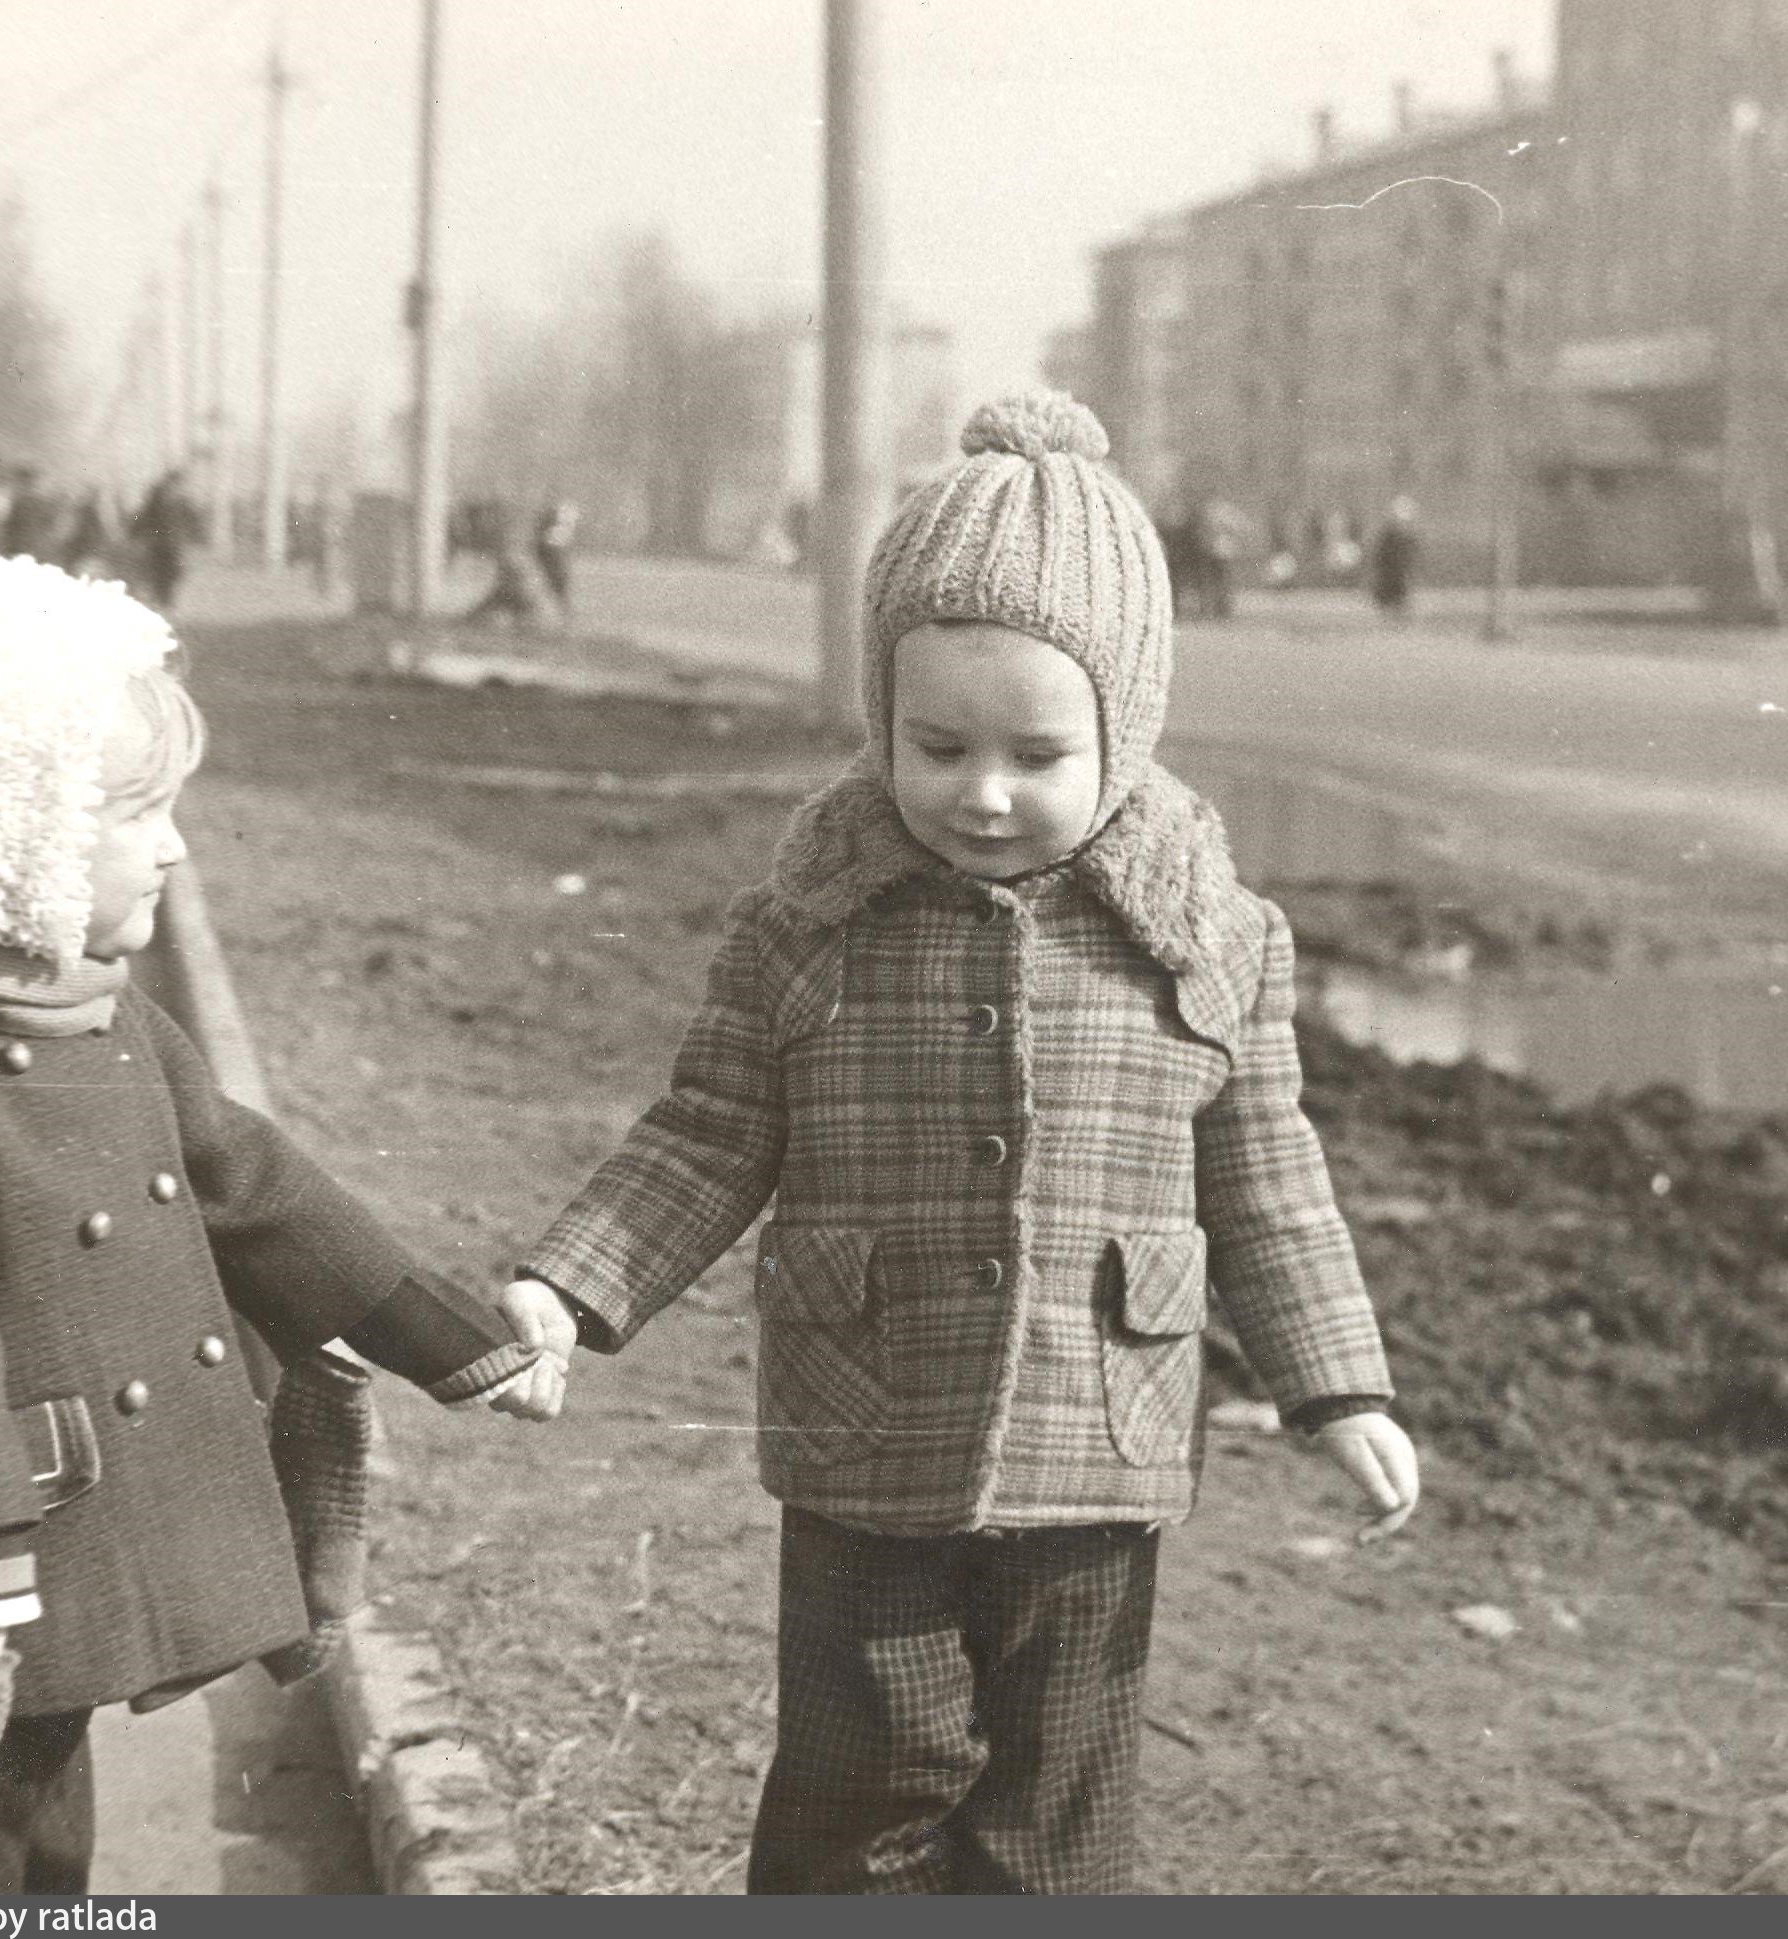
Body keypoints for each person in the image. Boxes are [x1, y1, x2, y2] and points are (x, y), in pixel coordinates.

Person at [499, 392, 1419, 1894]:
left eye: (1035, 751)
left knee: (1054, 1810)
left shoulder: (1208, 942)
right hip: (864, 1429)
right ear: (878, 714)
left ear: (1123, 733)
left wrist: (1335, 1388)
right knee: (861, 1777)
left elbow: (1267, 1180)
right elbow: (706, 1130)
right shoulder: (809, 923)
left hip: (1099, 1443)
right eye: (934, 742)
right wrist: (567, 1282)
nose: (979, 791)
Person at [0, 557, 555, 1893]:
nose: (176, 846)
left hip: (29, 1552)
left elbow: (250, 1179)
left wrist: (449, 1337)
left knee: (43, 1843)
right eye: (135, 812)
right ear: (1, 830)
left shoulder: (77, 998)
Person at [127, 469, 202, 613]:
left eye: (178, 484)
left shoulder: (182, 501)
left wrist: (197, 534)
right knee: (160, 571)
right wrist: (134, 531)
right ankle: (163, 599)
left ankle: (165, 598)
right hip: (158, 542)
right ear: (169, 483)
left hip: (173, 543)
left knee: (174, 571)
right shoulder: (155, 499)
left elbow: (192, 518)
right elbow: (141, 515)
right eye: (174, 484)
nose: (177, 487)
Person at [1369, 494, 1421, 616]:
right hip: (1389, 578)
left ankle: (1395, 606)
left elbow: (1409, 558)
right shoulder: (1389, 536)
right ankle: (1392, 606)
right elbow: (1380, 558)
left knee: (1397, 600)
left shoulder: (1407, 538)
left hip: (1397, 579)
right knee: (1391, 598)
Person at [534, 499, 580, 619]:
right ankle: (561, 610)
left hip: (552, 550)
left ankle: (562, 610)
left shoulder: (558, 530)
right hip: (551, 551)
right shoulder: (555, 531)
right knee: (557, 580)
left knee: (557, 582)